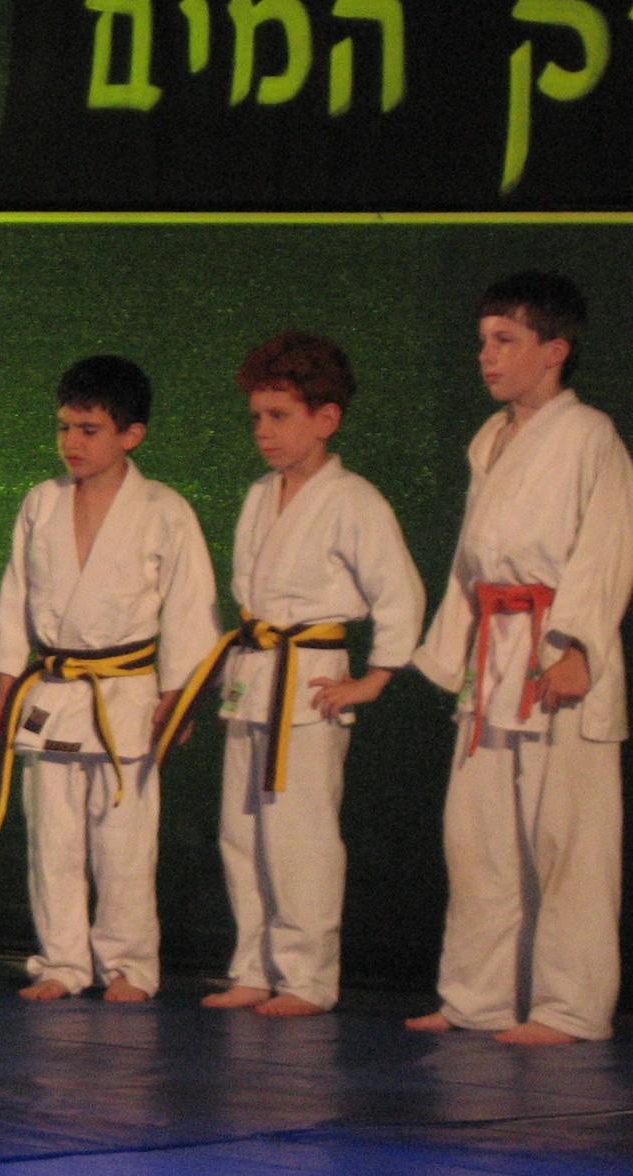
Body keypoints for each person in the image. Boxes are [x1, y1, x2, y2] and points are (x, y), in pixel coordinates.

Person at [162, 332, 423, 1017]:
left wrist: (375, 677)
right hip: (252, 674)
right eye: (256, 416)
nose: (263, 431)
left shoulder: (355, 500)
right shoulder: (259, 494)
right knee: (241, 833)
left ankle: (307, 977)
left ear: (326, 418)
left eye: (279, 416)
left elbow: (400, 594)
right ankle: (253, 967)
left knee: (299, 836)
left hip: (310, 682)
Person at [407, 271, 633, 1045]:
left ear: (555, 350)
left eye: (505, 340)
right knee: (478, 836)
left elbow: (608, 547)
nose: (487, 355)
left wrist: (580, 646)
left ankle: (570, 1006)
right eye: (483, 341)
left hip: (556, 647)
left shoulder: (590, 435)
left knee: (568, 840)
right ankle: (477, 997)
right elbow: (469, 560)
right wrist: (452, 649)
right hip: (494, 651)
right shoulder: (490, 438)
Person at [0, 355, 218, 1002]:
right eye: (64, 427)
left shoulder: (164, 510)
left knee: (125, 844)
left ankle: (128, 966)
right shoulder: (41, 501)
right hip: (53, 690)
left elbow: (189, 607)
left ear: (131, 435)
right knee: (51, 839)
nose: (72, 443)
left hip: (127, 694)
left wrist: (180, 697)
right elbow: (15, 593)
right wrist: (6, 681)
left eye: (89, 430)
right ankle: (61, 962)